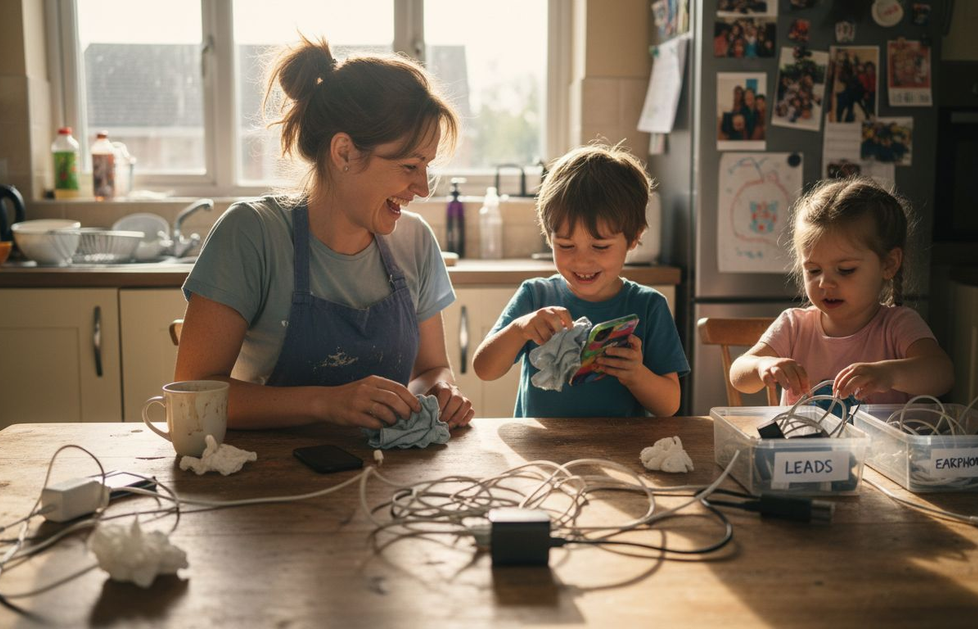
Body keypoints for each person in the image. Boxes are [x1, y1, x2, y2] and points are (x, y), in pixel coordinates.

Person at [175, 36, 474, 431]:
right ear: (345, 152)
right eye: (408, 166)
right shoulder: (252, 234)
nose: (422, 188)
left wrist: (440, 392)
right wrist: (326, 403)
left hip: (388, 478)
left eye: (427, 168)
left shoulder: (414, 240)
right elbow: (193, 397)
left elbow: (433, 368)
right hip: (262, 479)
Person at [472, 144, 689, 418]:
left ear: (633, 240)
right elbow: (484, 369)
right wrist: (519, 330)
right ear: (548, 237)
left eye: (600, 247)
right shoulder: (534, 296)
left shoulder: (648, 306)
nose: (582, 262)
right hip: (543, 455)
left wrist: (636, 375)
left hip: (620, 454)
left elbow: (669, 405)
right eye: (565, 245)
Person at [730, 178, 953, 405]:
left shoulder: (898, 325)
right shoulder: (794, 326)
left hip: (882, 442)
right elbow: (738, 374)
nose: (825, 283)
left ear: (889, 264)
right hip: (803, 441)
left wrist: (890, 374)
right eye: (814, 270)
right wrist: (762, 365)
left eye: (845, 270)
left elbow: (942, 374)